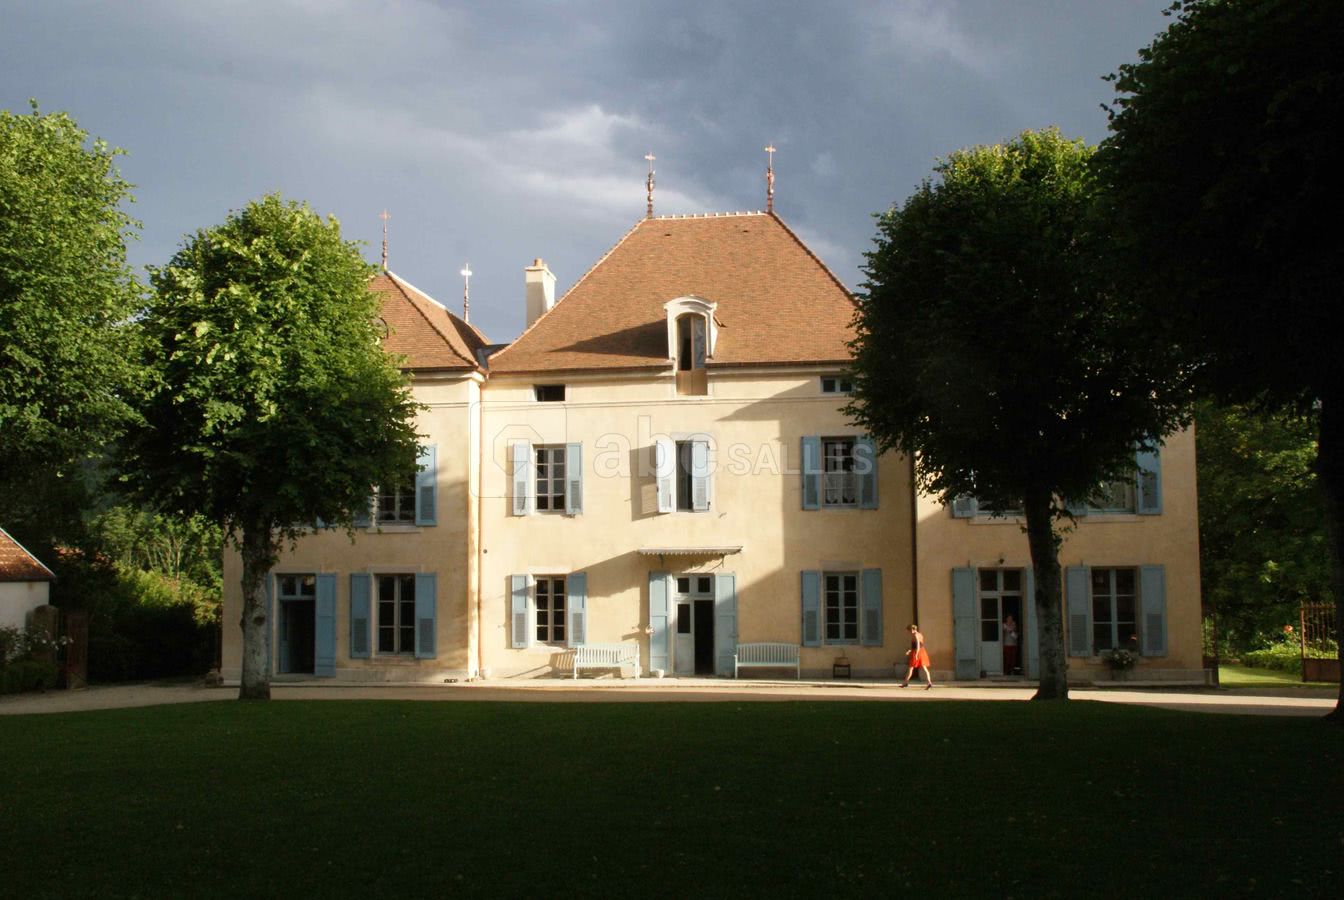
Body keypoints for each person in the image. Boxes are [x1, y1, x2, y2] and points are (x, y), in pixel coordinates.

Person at [900, 624, 934, 689]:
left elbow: (918, 645)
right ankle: (929, 683)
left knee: (911, 668)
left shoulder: (915, 635)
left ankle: (905, 683)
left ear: (912, 630)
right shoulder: (920, 634)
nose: (909, 632)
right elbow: (916, 645)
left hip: (917, 652)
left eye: (909, 631)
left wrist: (916, 654)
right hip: (922, 651)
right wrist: (909, 651)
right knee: (924, 668)